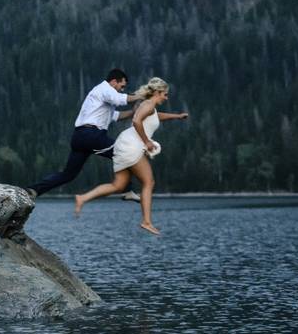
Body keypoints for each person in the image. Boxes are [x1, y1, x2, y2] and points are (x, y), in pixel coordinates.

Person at [74, 77, 188, 235]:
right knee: (149, 182)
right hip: (131, 146)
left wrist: (177, 117)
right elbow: (136, 121)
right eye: (165, 94)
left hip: (125, 145)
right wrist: (147, 141)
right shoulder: (148, 105)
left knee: (118, 186)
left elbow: (156, 116)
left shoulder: (150, 107)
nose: (166, 97)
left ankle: (83, 198)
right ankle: (146, 221)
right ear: (157, 92)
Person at [25, 69, 143, 199]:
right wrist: (141, 95)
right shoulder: (105, 89)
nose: (122, 89)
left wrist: (133, 112)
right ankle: (127, 191)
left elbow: (116, 115)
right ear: (114, 81)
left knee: (68, 175)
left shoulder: (101, 96)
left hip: (80, 138)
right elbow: (119, 99)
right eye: (122, 86)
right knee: (125, 153)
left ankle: (33, 190)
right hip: (92, 135)